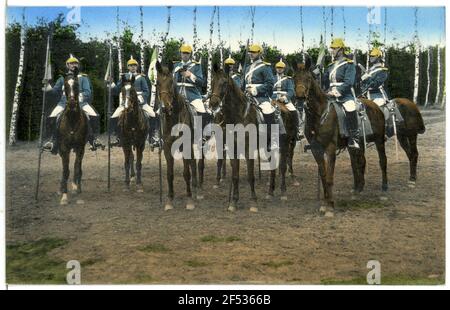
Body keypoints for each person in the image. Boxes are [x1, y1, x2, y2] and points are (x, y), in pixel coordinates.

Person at [43, 54, 103, 154]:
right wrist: (47, 86)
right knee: (53, 116)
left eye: (75, 63)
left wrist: (78, 97)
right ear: (67, 65)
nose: (73, 65)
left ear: (78, 65)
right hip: (64, 103)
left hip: (81, 103)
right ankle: (52, 140)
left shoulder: (83, 77)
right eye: (71, 63)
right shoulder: (62, 78)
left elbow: (87, 92)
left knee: (93, 115)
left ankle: (93, 139)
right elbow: (55, 92)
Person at [323, 38, 359, 149]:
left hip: (345, 95)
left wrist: (337, 92)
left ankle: (354, 137)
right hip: (330, 94)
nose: (332, 51)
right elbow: (327, 82)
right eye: (332, 49)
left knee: (350, 108)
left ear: (340, 50)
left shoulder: (349, 64)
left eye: (334, 49)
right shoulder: (330, 66)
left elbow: (349, 82)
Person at [108, 56, 150, 147]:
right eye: (131, 65)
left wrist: (139, 99)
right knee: (114, 117)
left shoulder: (141, 78)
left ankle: (152, 136)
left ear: (137, 66)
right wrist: (111, 84)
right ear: (128, 67)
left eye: (134, 65)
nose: (133, 67)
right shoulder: (123, 77)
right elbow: (117, 90)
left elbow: (146, 91)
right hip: (126, 102)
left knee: (153, 114)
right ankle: (117, 136)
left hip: (140, 102)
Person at [241, 44, 277, 151]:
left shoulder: (265, 67)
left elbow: (270, 83)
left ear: (259, 53)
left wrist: (255, 90)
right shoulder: (247, 68)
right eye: (250, 52)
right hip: (246, 97)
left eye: (254, 52)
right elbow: (243, 85)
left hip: (261, 97)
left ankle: (273, 140)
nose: (251, 54)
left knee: (268, 111)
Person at [272, 58, 304, 140]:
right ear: (275, 68)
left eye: (281, 68)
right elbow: (269, 90)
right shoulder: (272, 78)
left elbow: (291, 91)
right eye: (278, 67)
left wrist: (285, 98)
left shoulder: (288, 79)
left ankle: (298, 131)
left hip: (285, 101)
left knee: (295, 112)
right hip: (274, 100)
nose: (279, 69)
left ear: (284, 69)